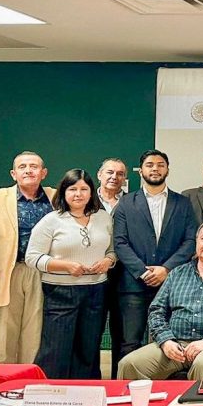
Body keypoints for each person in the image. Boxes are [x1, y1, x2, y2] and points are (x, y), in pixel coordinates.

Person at [117, 221, 203, 380]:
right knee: (129, 364)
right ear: (196, 242)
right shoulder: (177, 273)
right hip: (177, 344)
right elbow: (156, 311)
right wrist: (165, 341)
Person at [25, 170, 116, 379]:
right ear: (63, 192)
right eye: (72, 189)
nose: (78, 194)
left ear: (91, 192)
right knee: (56, 349)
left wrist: (108, 261)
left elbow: (112, 251)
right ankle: (51, 393)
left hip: (96, 291)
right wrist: (65, 266)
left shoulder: (103, 218)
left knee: (88, 349)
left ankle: (87, 393)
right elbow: (32, 257)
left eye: (84, 189)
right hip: (60, 292)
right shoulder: (51, 221)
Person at [111, 149, 198, 365]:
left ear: (168, 170)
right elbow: (120, 242)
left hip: (171, 284)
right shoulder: (126, 203)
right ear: (141, 171)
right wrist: (142, 271)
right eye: (150, 165)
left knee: (170, 342)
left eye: (160, 165)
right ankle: (125, 384)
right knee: (129, 342)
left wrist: (166, 269)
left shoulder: (182, 203)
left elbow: (190, 241)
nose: (155, 169)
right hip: (133, 285)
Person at [0, 151, 55, 364]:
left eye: (34, 166)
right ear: (13, 174)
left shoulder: (56, 197)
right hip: (7, 272)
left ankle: (28, 377)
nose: (28, 170)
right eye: (22, 167)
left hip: (43, 273)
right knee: (4, 333)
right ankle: (3, 379)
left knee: (35, 332)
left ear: (43, 173)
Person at [96, 157, 127, 375]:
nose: (114, 177)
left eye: (120, 174)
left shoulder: (132, 202)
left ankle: (119, 381)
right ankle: (90, 381)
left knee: (122, 334)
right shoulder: (86, 199)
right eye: (109, 172)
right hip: (91, 275)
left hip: (124, 275)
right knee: (91, 332)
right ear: (100, 174)